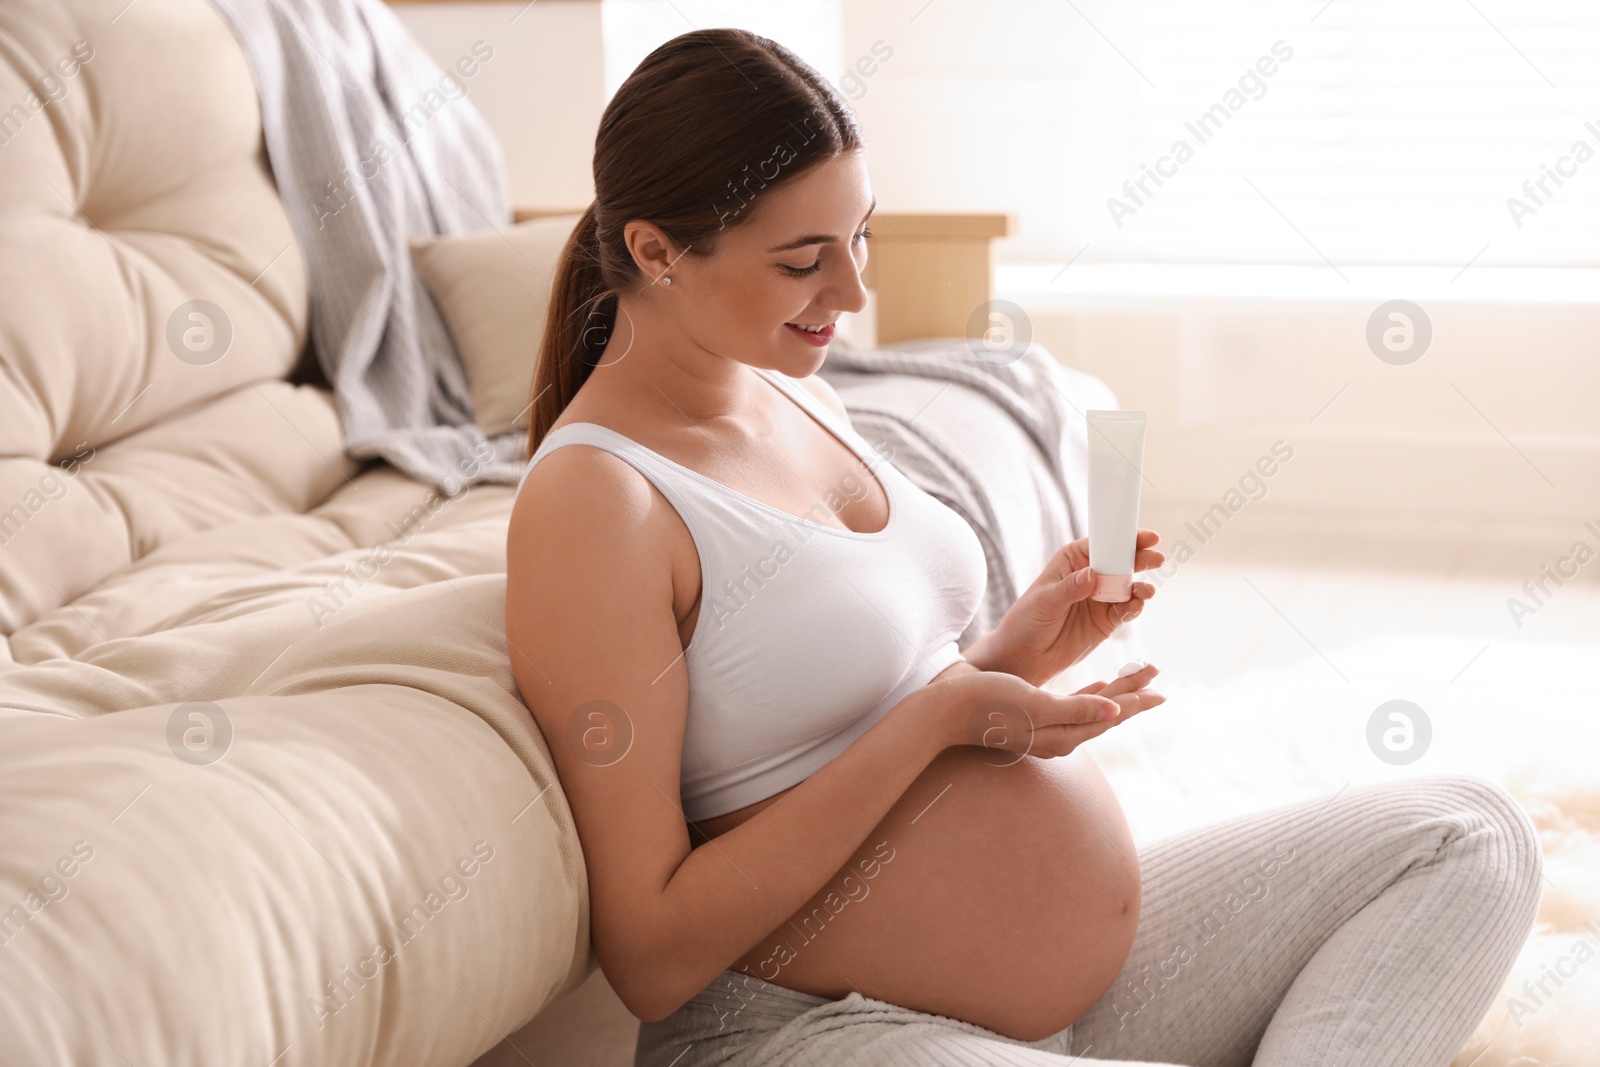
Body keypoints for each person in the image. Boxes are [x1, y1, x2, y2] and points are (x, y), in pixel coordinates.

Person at [503, 28, 1543, 1067]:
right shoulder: (599, 501)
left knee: (1471, 832)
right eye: (801, 260)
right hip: (801, 1028)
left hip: (1047, 998)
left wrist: (1012, 657)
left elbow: (847, 717)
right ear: (653, 251)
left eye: (860, 235)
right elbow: (651, 952)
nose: (854, 294)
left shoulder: (789, 390)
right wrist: (940, 716)